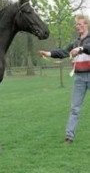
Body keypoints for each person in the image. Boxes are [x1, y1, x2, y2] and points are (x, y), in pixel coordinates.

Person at [39, 14, 90, 143]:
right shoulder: (75, 42)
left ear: (86, 24)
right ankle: (69, 136)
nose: (77, 26)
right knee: (74, 108)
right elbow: (63, 52)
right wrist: (49, 53)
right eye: (76, 24)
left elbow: (87, 48)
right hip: (79, 78)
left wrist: (81, 49)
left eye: (79, 24)